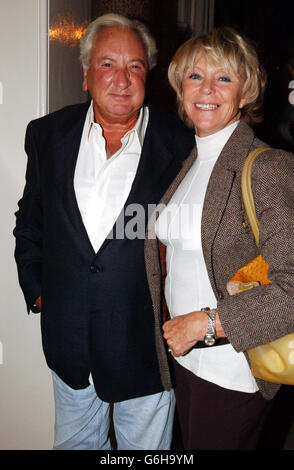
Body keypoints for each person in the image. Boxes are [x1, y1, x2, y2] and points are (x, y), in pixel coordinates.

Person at [13, 13, 194, 450]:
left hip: (146, 348)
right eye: (107, 64)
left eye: (134, 66)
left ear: (148, 75)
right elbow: (30, 220)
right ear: (85, 75)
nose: (121, 79)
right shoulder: (46, 136)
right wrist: (38, 289)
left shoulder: (182, 144)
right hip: (69, 343)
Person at [144, 26, 294, 450]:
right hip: (188, 363)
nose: (206, 88)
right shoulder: (191, 161)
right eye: (195, 76)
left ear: (245, 93)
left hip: (231, 370)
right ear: (179, 86)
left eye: (224, 77)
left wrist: (205, 324)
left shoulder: (267, 168)